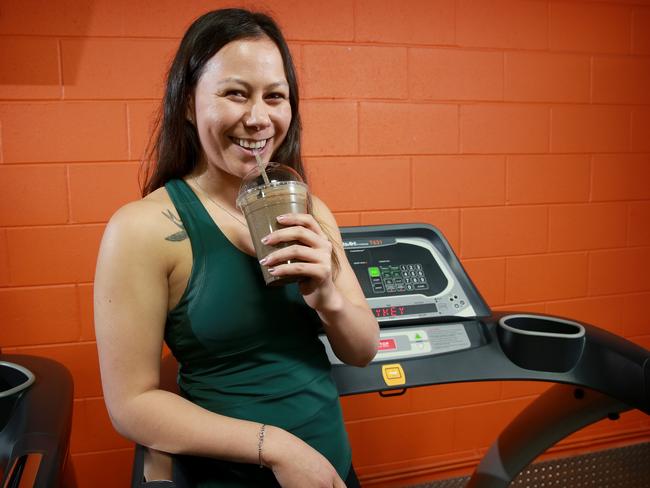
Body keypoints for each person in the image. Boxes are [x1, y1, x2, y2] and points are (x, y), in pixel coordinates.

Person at [94, 7, 379, 488]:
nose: (258, 118)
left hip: (330, 470)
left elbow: (362, 350)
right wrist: (282, 451)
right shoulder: (141, 228)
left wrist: (327, 295)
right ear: (187, 103)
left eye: (275, 97)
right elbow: (132, 405)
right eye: (235, 94)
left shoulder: (310, 208)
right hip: (232, 476)